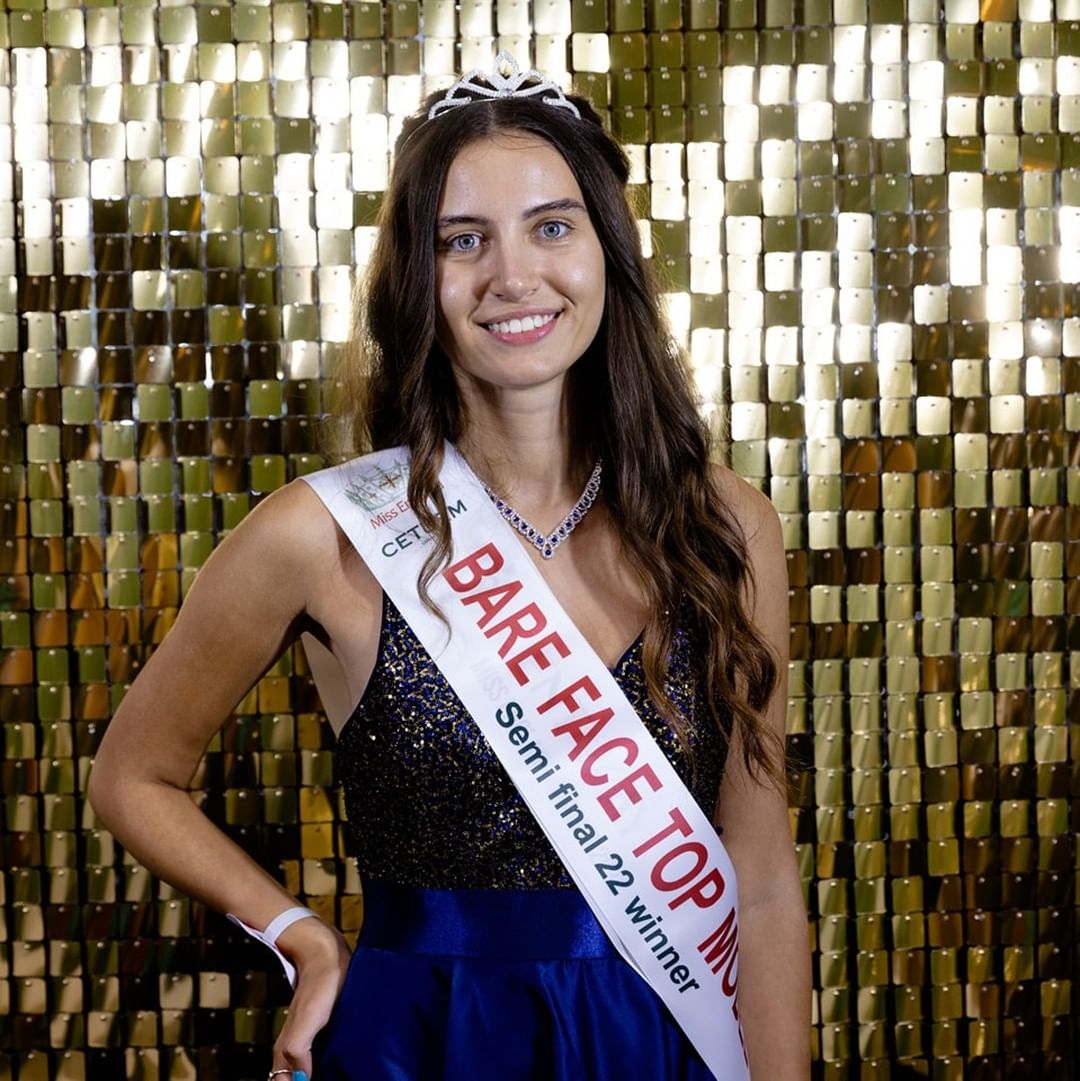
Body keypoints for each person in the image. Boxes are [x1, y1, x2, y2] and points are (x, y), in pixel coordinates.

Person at [89, 54, 810, 1081]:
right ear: (415, 278)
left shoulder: (724, 526)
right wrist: (301, 935)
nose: (512, 276)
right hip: (424, 1036)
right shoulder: (322, 534)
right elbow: (131, 775)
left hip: (663, 1038)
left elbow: (761, 873)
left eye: (551, 226)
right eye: (462, 240)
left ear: (607, 251)